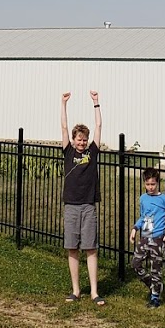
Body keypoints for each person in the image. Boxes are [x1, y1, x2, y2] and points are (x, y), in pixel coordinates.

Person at [61, 89, 104, 306]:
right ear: (73, 140)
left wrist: (96, 103)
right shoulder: (68, 151)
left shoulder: (92, 152)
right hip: (71, 205)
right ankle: (76, 290)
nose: (82, 142)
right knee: (72, 247)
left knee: (90, 247)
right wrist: (64, 104)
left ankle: (95, 292)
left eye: (84, 140)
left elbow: (98, 126)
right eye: (79, 139)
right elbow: (63, 127)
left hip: (88, 205)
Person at [129, 167, 165, 308]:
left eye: (153, 184)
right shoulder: (143, 198)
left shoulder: (164, 199)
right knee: (136, 264)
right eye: (147, 184)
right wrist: (135, 228)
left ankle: (155, 297)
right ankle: (152, 284)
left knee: (156, 268)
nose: (150, 187)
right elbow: (143, 216)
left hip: (157, 239)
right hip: (144, 238)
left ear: (158, 183)